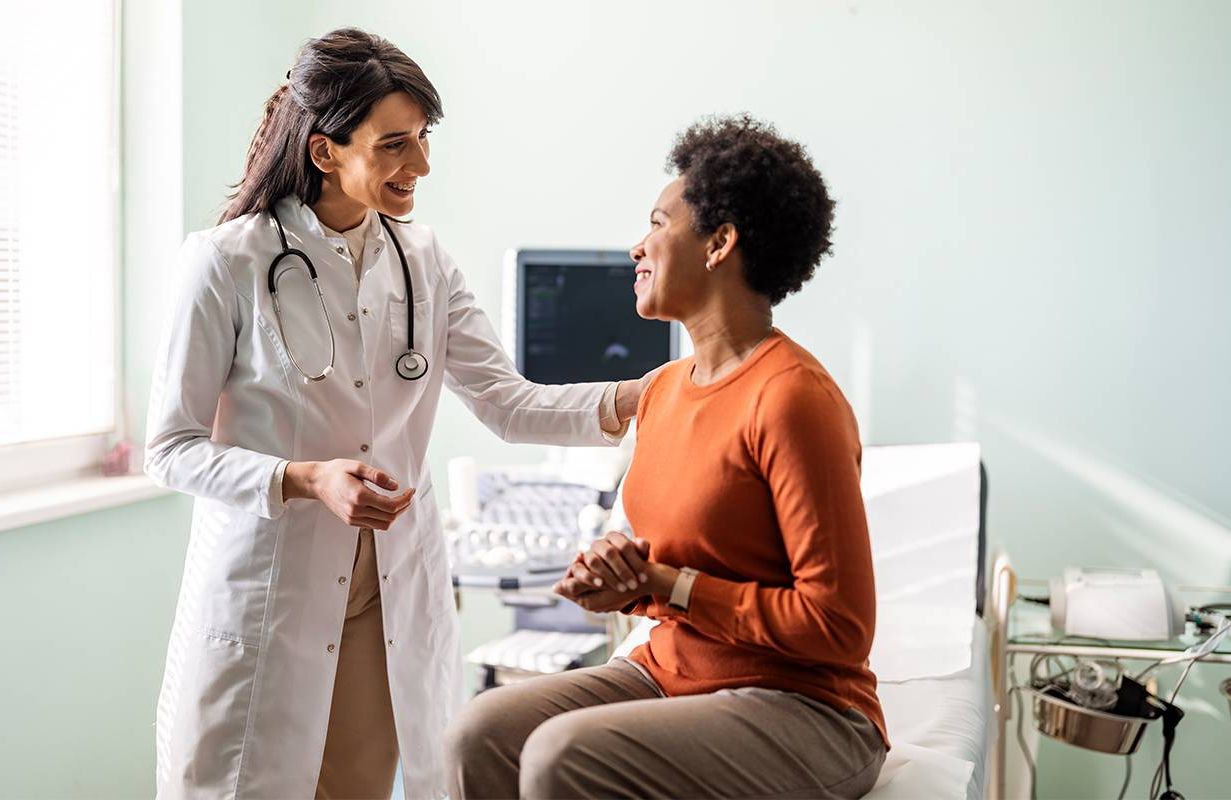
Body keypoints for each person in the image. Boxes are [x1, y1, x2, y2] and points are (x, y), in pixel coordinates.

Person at [144, 28, 654, 800]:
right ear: (324, 152)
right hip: (271, 588)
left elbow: (510, 405)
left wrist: (650, 394)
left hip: (385, 590)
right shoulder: (226, 262)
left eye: (421, 140)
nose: (418, 166)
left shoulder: (424, 261)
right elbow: (170, 449)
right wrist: (306, 478)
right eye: (393, 145)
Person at [445, 115, 888, 799]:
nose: (636, 246)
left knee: (562, 755)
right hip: (671, 672)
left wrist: (667, 585)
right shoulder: (663, 392)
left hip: (804, 706)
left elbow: (839, 628)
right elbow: (674, 556)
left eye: (657, 223)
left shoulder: (793, 399)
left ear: (719, 243)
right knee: (478, 734)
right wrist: (623, 573)